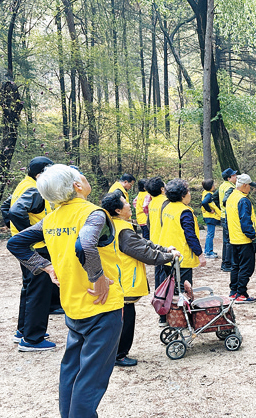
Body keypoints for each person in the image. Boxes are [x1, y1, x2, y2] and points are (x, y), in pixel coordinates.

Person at [7, 164, 124, 418]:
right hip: (102, 307)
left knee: (72, 370)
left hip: (72, 305)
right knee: (91, 379)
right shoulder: (94, 213)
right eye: (80, 175)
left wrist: (45, 267)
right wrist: (98, 278)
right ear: (77, 186)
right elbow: (86, 245)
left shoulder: (51, 219)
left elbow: (15, 243)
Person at [101, 191, 179, 367]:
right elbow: (145, 253)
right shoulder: (122, 230)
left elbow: (143, 243)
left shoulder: (118, 225)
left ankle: (116, 353)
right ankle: (119, 355)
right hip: (124, 281)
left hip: (120, 280)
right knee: (125, 320)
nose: (130, 205)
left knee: (122, 318)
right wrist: (169, 257)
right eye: (125, 203)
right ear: (118, 210)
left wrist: (165, 249)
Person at [1, 156, 55, 351]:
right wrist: (29, 234)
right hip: (37, 247)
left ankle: (23, 331)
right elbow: (15, 212)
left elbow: (5, 207)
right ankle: (33, 339)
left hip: (26, 247)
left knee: (29, 288)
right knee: (39, 291)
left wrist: (18, 233)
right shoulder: (35, 189)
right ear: (40, 174)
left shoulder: (23, 185)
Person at [158, 179, 207, 290]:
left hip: (167, 254)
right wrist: (200, 254)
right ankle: (179, 307)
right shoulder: (185, 212)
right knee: (182, 289)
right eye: (188, 191)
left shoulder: (167, 207)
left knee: (170, 287)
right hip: (181, 257)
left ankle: (171, 307)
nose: (190, 194)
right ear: (183, 196)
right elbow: (190, 235)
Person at [226, 173, 256, 303]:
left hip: (234, 239)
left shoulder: (231, 197)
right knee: (246, 268)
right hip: (244, 240)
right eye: (249, 186)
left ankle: (234, 291)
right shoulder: (243, 200)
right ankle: (241, 293)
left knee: (235, 266)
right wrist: (253, 238)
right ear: (244, 185)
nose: (250, 188)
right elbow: (245, 222)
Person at [145, 177, 169, 326]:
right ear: (162, 189)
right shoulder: (166, 203)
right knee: (167, 280)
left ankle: (160, 310)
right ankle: (164, 314)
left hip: (155, 244)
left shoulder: (152, 202)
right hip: (165, 246)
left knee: (159, 277)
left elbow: (148, 224)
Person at [218, 168, 237, 272]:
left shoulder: (222, 186)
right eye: (234, 175)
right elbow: (225, 200)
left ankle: (224, 263)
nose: (236, 177)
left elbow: (216, 198)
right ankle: (228, 264)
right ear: (229, 178)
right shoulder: (230, 187)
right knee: (229, 241)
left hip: (223, 215)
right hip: (228, 216)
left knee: (226, 241)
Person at [201, 179, 221, 259]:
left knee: (209, 234)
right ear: (211, 186)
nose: (214, 186)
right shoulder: (209, 194)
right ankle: (208, 252)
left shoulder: (205, 193)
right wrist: (210, 210)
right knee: (210, 234)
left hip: (208, 217)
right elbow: (204, 203)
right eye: (213, 185)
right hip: (210, 217)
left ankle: (207, 251)